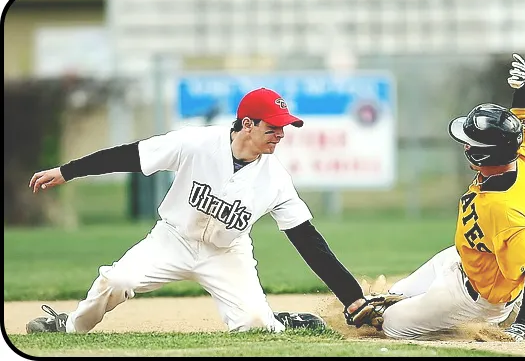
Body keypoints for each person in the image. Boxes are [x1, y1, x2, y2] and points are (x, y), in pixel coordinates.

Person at [26, 87, 380, 334]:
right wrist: (67, 171)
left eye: (284, 128)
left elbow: (309, 242)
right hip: (172, 240)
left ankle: (279, 321)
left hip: (227, 254)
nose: (280, 135)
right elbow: (130, 156)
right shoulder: (195, 143)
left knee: (254, 325)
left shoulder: (275, 180)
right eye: (273, 127)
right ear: (247, 124)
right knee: (117, 280)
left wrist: (351, 298)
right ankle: (69, 325)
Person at [355, 53, 525, 342]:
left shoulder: (504, 210)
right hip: (466, 258)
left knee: (388, 325)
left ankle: (480, 324)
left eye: (469, 143)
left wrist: (523, 327)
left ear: (481, 154)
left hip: (476, 297)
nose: (465, 146)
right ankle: (429, 305)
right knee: (390, 297)